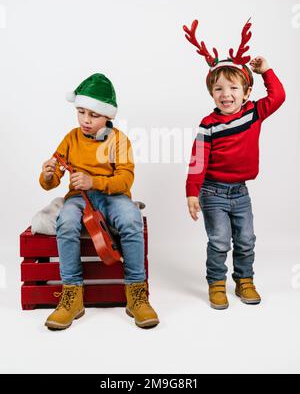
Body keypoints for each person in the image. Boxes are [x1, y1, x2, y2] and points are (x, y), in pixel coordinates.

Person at [39, 73, 159, 329]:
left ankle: (136, 293)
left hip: (113, 196)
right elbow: (54, 176)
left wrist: (94, 181)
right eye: (81, 112)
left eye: (93, 115)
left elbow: (126, 179)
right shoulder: (71, 138)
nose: (85, 120)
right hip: (79, 199)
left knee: (131, 219)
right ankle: (72, 295)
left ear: (108, 116)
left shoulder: (118, 140)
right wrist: (48, 175)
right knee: (67, 221)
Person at [183, 19, 286, 309]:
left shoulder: (254, 112)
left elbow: (278, 96)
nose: (225, 94)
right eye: (218, 89)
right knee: (219, 241)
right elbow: (197, 160)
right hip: (213, 192)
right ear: (211, 94)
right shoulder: (208, 124)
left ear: (246, 92)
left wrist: (266, 71)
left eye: (233, 88)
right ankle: (216, 283)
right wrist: (192, 192)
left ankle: (244, 280)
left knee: (246, 239)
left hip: (240, 193)